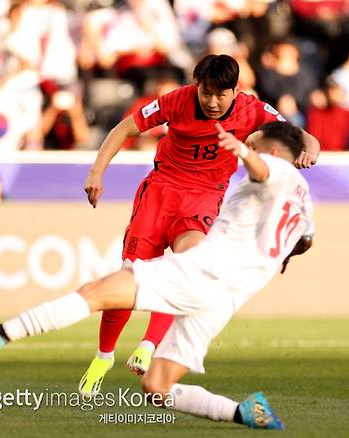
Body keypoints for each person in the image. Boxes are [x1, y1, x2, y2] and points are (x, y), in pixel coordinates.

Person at [0, 121, 315, 430]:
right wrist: (283, 255)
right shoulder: (304, 199)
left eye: (256, 144)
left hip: (202, 271)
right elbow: (305, 240)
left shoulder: (275, 167)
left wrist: (243, 150)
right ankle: (243, 412)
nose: (249, 148)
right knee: (157, 387)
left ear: (276, 151)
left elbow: (263, 170)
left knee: (96, 292)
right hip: (225, 299)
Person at [78, 54, 320, 396]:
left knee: (186, 270)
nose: (212, 102)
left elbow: (305, 137)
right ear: (198, 87)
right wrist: (96, 171)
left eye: (221, 95)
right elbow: (126, 128)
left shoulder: (254, 110)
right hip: (160, 193)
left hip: (204, 199)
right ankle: (103, 356)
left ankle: (149, 347)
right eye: (207, 93)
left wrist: (310, 151)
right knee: (129, 275)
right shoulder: (177, 101)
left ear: (236, 90)